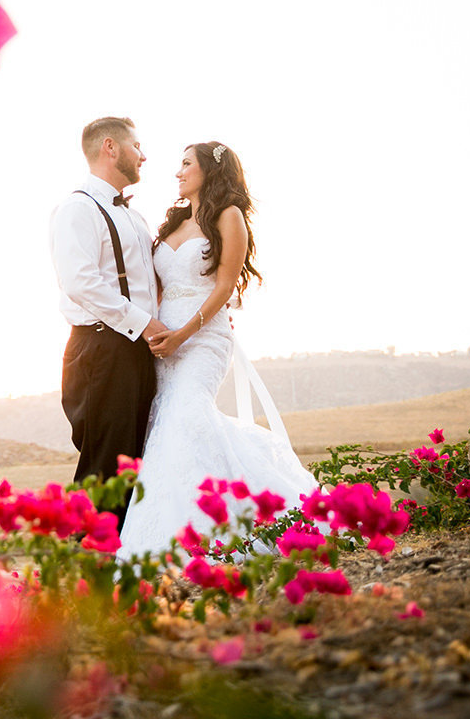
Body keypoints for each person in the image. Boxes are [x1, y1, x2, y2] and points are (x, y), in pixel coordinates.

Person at [118, 141, 320, 558]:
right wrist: (152, 330)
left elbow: (225, 287)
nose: (178, 172)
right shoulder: (173, 223)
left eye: (186, 164)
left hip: (204, 337)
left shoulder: (229, 218)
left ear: (210, 170)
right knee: (166, 424)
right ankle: (174, 529)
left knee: (188, 415)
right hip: (162, 340)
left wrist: (184, 334)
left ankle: (222, 530)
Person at [49, 117, 170, 529]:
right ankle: (85, 566)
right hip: (100, 347)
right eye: (137, 145)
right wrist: (144, 323)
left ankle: (119, 563)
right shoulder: (77, 208)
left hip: (135, 347)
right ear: (110, 147)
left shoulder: (134, 218)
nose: (144, 154)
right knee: (105, 464)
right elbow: (82, 282)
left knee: (133, 461)